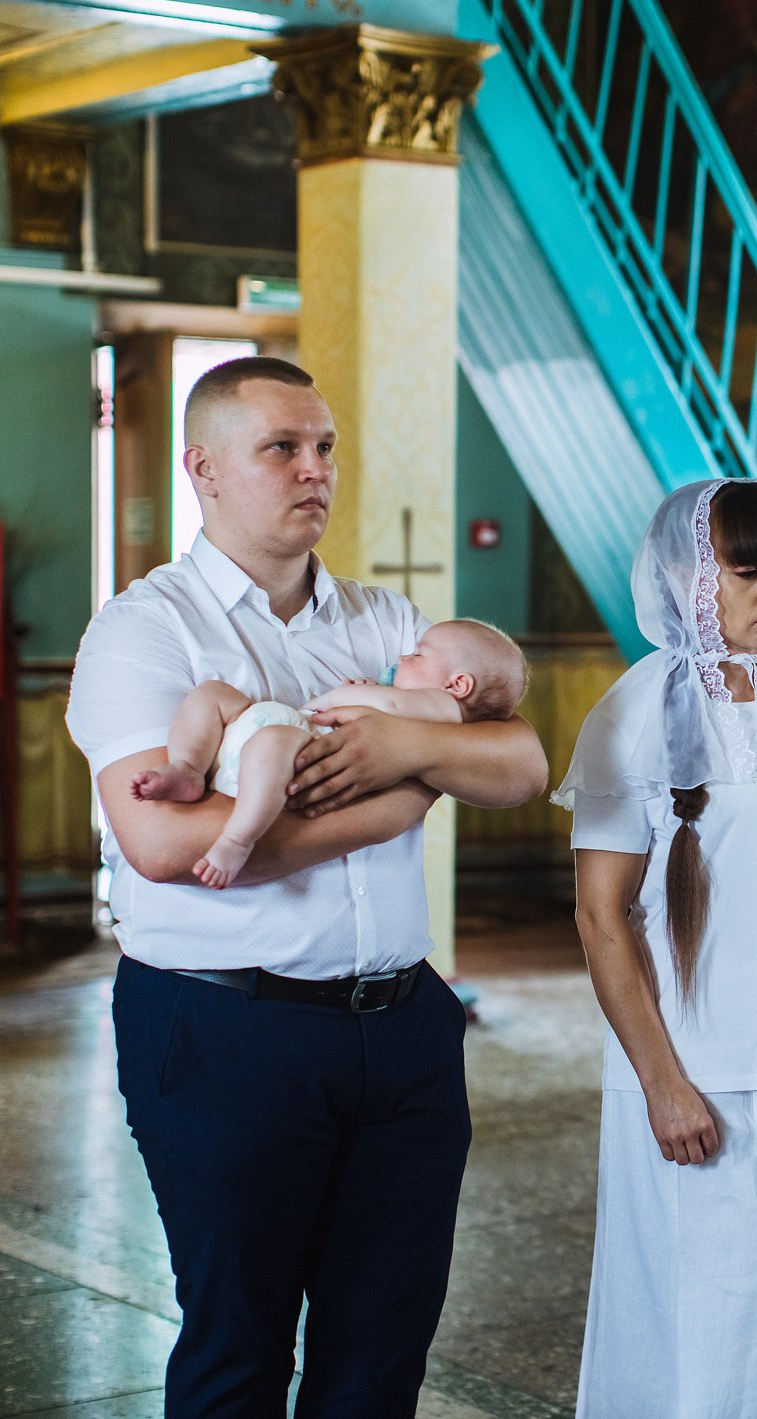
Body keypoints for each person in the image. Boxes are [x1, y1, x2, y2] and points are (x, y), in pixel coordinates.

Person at [65, 356, 548, 1418]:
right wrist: (402, 788)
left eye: (323, 446)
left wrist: (407, 763)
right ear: (203, 469)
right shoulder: (148, 629)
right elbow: (156, 840)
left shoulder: (383, 622)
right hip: (228, 1029)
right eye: (281, 447)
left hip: (404, 1028)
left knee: (380, 1357)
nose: (312, 469)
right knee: (238, 1350)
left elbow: (521, 766)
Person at [556, 477, 757, 1419]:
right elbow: (600, 917)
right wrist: (664, 1081)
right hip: (692, 1079)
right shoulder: (631, 716)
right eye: (748, 570)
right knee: (691, 1325)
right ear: (686, 574)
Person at [130, 617, 528, 887]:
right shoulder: (418, 699)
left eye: (419, 655)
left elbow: (396, 723)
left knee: (271, 744)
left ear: (458, 685)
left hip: (302, 748)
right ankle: (187, 768)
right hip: (279, 720)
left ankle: (237, 838)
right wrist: (370, 690)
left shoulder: (445, 711)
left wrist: (374, 695)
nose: (404, 656)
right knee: (212, 696)